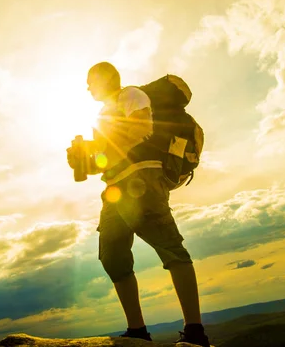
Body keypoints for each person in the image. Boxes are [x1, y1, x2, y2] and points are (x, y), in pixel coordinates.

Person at [66, 62, 211, 346]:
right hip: (114, 189)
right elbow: (109, 158)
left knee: (170, 247)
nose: (87, 87)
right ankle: (138, 331)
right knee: (112, 257)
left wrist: (100, 151)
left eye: (90, 81)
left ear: (107, 78)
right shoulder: (104, 114)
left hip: (142, 180)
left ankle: (195, 331)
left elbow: (141, 129)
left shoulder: (129, 95)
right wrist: (85, 161)